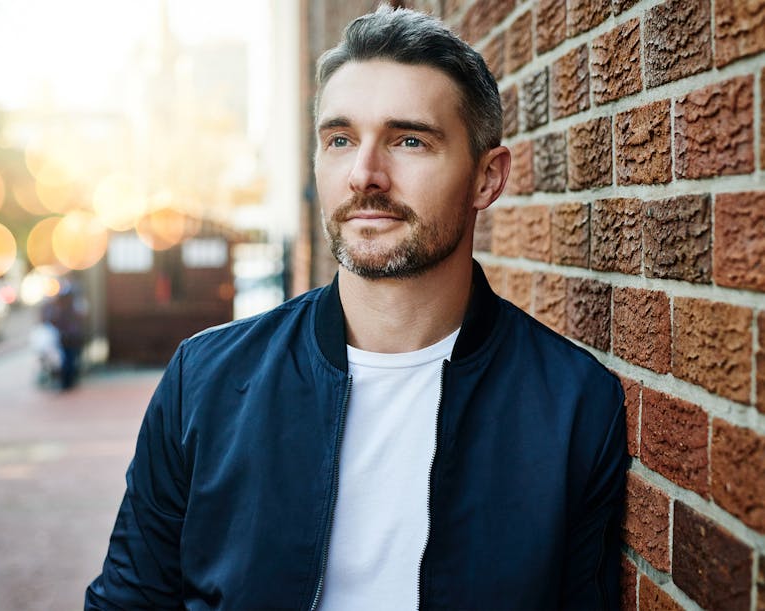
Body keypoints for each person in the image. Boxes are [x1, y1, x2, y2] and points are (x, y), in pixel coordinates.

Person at [86, 6, 628, 610]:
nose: (365, 174)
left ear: (486, 178)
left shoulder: (573, 404)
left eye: (409, 141)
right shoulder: (205, 380)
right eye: (340, 140)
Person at [42, 281, 86, 390]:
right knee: (70, 359)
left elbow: (53, 321)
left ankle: (67, 382)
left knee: (67, 359)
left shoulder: (62, 309)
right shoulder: (72, 308)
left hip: (68, 338)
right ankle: (68, 381)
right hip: (71, 338)